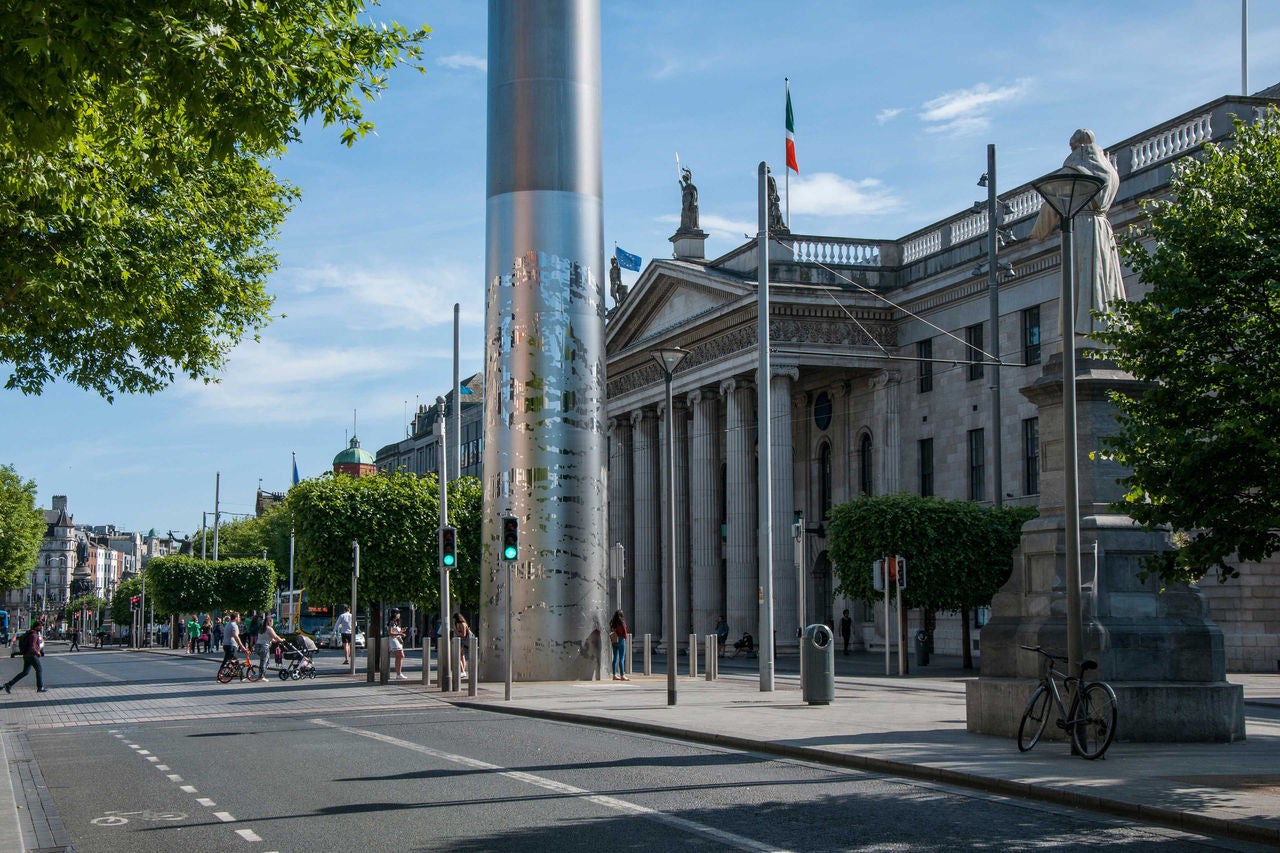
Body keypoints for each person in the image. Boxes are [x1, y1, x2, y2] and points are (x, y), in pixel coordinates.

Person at [1030, 128, 1126, 340]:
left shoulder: (1074, 170)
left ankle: (1082, 327)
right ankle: (1105, 326)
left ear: (1077, 146)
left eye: (1072, 147)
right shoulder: (1110, 171)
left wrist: (1037, 233)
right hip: (1102, 226)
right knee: (1104, 278)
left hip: (1079, 226)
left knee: (1081, 277)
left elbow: (1052, 202)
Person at [4, 619, 46, 694]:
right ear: (36, 627)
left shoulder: (29, 633)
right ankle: (40, 687)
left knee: (25, 672)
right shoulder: (34, 635)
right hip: (32, 655)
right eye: (40, 627)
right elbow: (32, 647)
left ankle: (9, 684)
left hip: (26, 655)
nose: (41, 628)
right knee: (39, 670)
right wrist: (38, 653)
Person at [608, 610, 629, 681]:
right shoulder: (622, 623)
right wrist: (625, 639)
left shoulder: (612, 623)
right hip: (621, 640)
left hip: (614, 641)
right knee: (621, 658)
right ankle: (622, 675)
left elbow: (612, 630)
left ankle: (614, 675)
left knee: (615, 658)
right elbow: (625, 633)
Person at [387, 612, 407, 679]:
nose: (399, 615)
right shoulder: (391, 622)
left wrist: (401, 631)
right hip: (394, 641)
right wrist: (400, 634)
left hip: (397, 640)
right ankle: (398, 674)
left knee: (400, 656)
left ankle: (399, 673)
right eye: (398, 613)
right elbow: (390, 633)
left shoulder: (395, 622)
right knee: (400, 656)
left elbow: (395, 632)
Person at [452, 612, 471, 679]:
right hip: (461, 641)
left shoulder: (462, 624)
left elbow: (464, 635)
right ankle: (463, 672)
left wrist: (456, 632)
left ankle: (462, 671)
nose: (454, 621)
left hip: (463, 641)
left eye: (454, 619)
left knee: (457, 656)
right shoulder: (460, 624)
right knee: (462, 656)